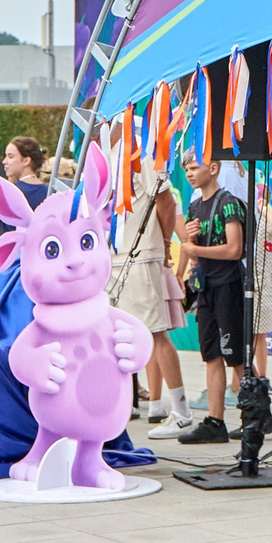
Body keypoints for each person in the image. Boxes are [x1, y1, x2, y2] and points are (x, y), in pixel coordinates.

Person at [172, 158, 247, 446]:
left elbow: (234, 249)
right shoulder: (194, 207)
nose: (189, 174)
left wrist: (195, 247)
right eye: (187, 169)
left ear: (213, 169)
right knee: (211, 354)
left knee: (236, 355)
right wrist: (191, 253)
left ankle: (254, 415)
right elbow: (195, 253)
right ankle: (215, 421)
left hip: (228, 285)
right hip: (206, 286)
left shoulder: (228, 203)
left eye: (194, 168)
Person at [112, 166, 190, 432]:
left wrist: (165, 244)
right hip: (111, 257)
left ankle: (180, 411)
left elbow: (166, 203)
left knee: (155, 333)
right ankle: (121, 403)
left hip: (141, 256)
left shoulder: (139, 151)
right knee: (116, 336)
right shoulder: (98, 152)